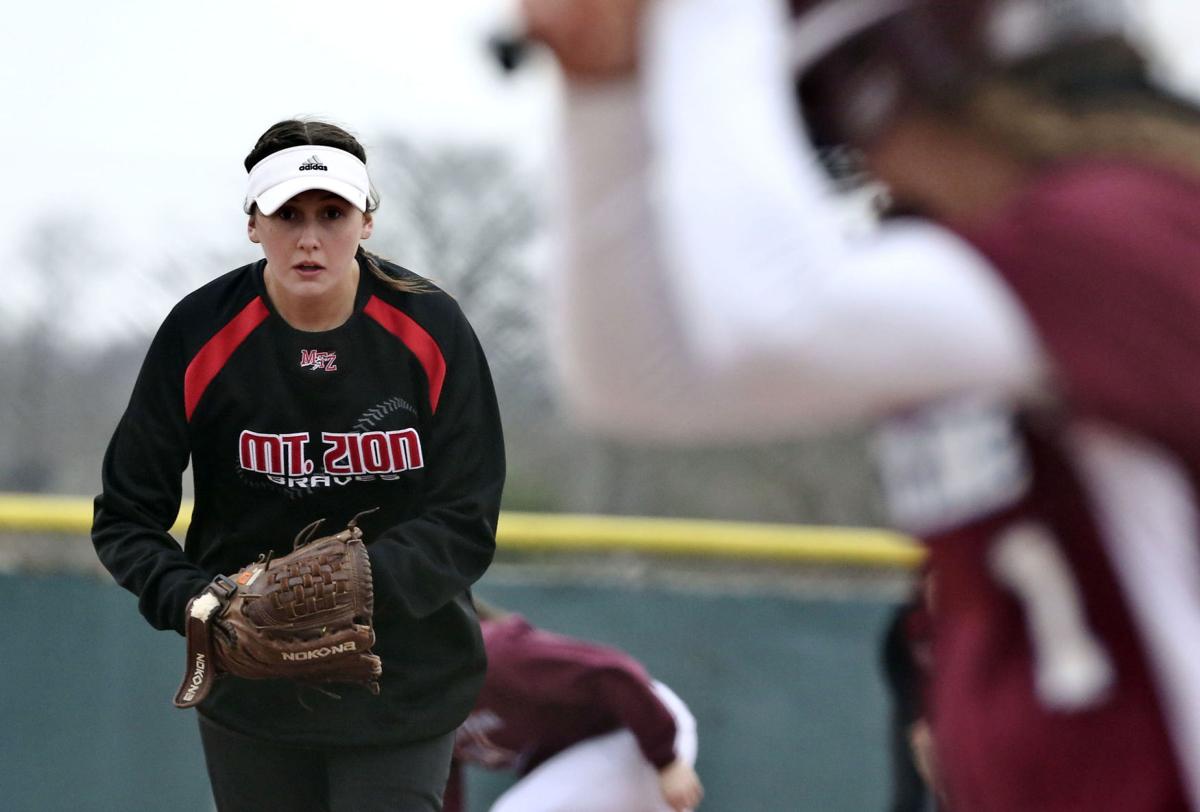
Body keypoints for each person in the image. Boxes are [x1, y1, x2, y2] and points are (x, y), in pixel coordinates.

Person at [521, 0, 1200, 808]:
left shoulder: (1133, 226)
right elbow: (639, 380)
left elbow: (775, 321)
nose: (864, 169)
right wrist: (607, 94)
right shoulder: (1015, 275)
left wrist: (702, 16)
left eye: (839, 118)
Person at [91, 119, 506, 812]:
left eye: (332, 213)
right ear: (253, 223)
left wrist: (356, 585)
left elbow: (466, 518)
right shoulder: (201, 333)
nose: (309, 237)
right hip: (253, 687)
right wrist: (203, 608)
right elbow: (126, 518)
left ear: (367, 222)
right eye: (287, 214)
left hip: (402, 678)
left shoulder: (432, 329)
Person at [442, 599, 703, 812]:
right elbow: (441, 783)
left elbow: (612, 674)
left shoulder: (493, 655)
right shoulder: (423, 699)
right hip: (598, 753)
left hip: (638, 730)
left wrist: (666, 760)